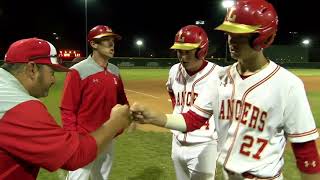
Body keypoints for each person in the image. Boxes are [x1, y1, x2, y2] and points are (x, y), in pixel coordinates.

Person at [131, 0, 320, 179]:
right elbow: (192, 120)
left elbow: (306, 151)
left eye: (240, 35)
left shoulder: (287, 84)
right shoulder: (219, 78)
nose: (231, 41)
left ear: (263, 37)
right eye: (230, 33)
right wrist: (153, 116)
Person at [0, 38, 131, 180]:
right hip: (85, 135)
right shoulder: (21, 107)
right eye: (51, 72)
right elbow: (74, 156)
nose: (53, 80)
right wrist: (115, 123)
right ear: (32, 69)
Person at [60, 25, 129, 180]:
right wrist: (72, 137)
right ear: (93, 44)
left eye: (113, 40)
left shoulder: (115, 71)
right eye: (106, 40)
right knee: (78, 177)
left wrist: (126, 119)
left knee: (102, 177)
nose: (112, 44)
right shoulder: (78, 70)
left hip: (108, 135)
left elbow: (122, 101)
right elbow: (67, 108)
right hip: (85, 137)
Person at [167, 25, 221, 180]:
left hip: (204, 145)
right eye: (179, 51)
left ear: (201, 51)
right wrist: (178, 112)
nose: (182, 57)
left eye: (187, 52)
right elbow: (171, 91)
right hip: (177, 142)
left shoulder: (218, 75)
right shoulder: (174, 71)